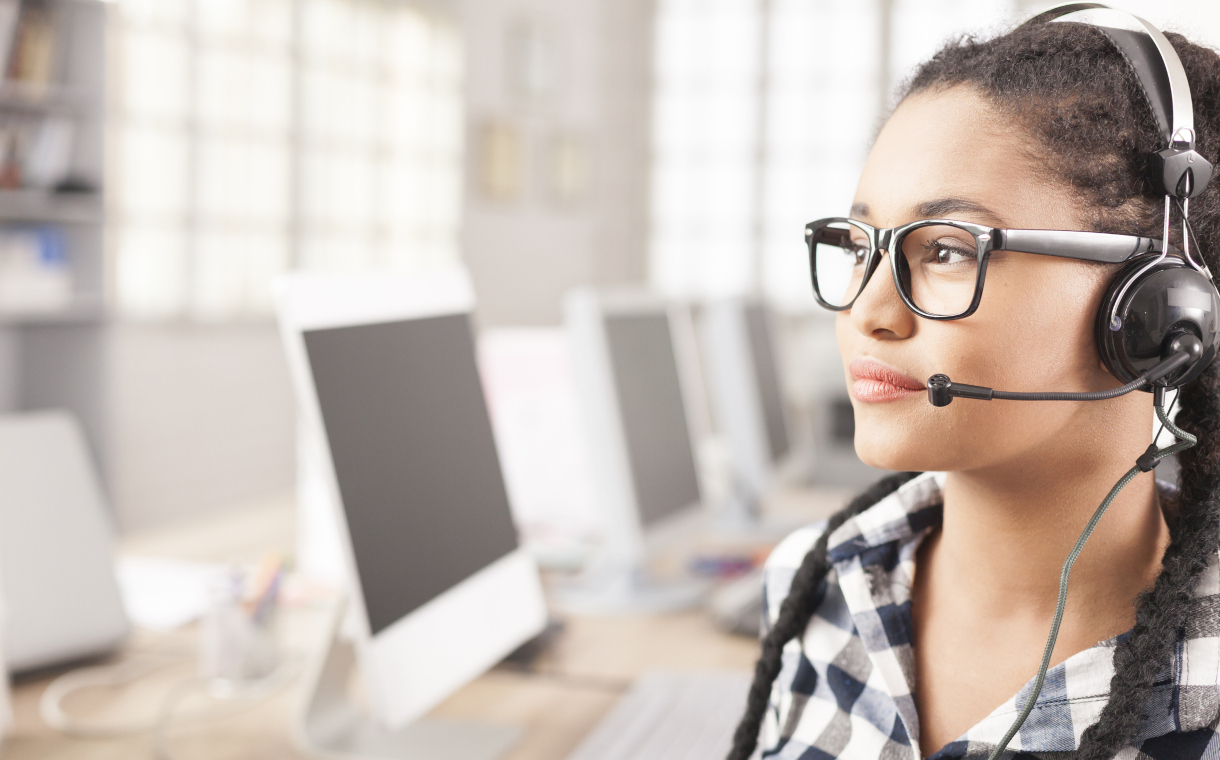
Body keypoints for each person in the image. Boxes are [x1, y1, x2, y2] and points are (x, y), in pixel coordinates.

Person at [727, 13, 1220, 760]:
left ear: (1154, 306)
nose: (869, 312)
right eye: (862, 246)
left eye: (950, 250)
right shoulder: (814, 580)